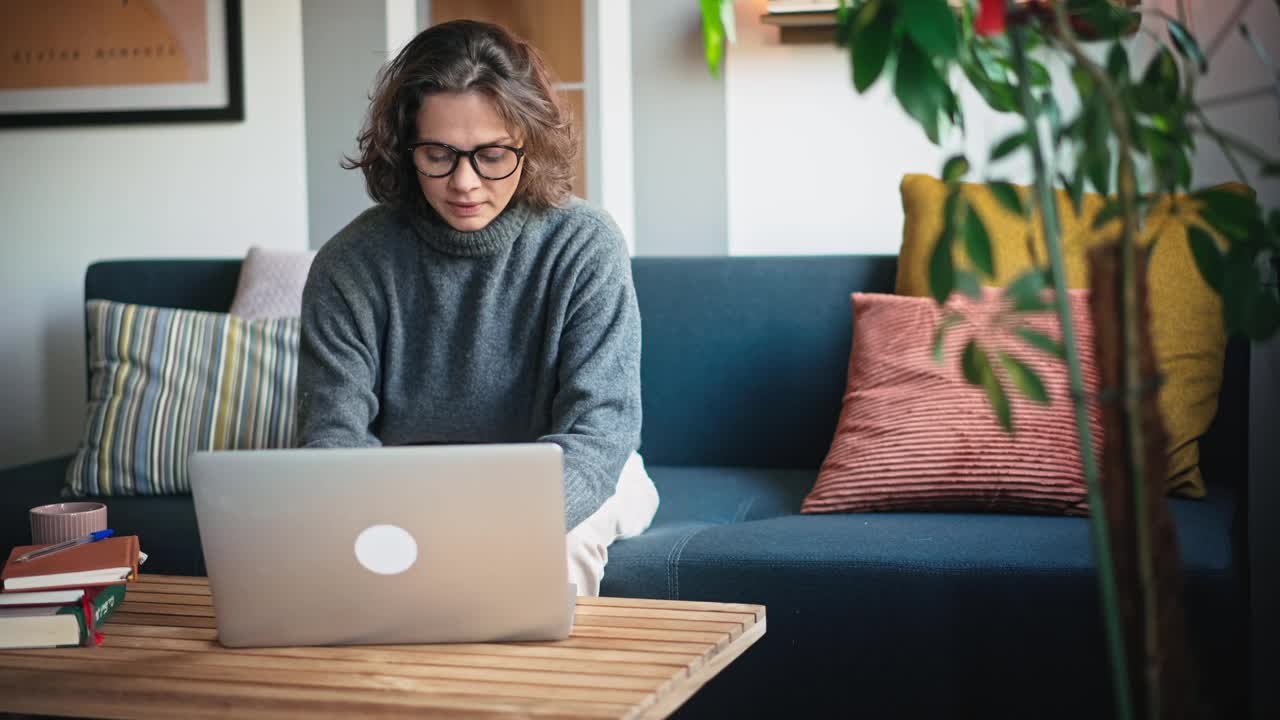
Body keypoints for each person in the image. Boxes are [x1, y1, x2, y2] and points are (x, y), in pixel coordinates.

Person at [296, 20, 658, 596]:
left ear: (528, 142)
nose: (464, 182)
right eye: (438, 154)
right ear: (404, 145)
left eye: (491, 155)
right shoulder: (350, 264)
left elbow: (601, 429)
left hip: (572, 474)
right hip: (406, 488)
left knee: (551, 549)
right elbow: (334, 439)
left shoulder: (585, 243)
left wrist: (495, 523)